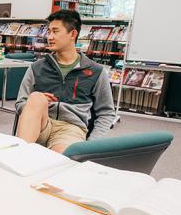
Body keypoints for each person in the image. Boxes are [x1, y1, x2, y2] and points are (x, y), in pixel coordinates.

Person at [14, 9, 115, 153]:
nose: (49, 37)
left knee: (58, 159)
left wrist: (91, 145)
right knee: (36, 97)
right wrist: (36, 104)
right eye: (49, 31)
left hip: (70, 129)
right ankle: (19, 155)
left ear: (73, 34)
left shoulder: (96, 72)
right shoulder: (37, 67)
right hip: (41, 123)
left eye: (55, 31)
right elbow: (20, 104)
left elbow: (106, 113)